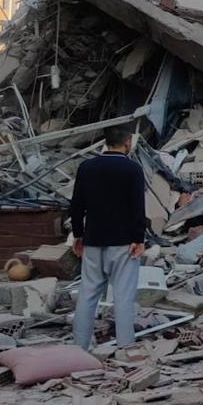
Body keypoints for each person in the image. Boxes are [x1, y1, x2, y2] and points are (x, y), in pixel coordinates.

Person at [70, 125, 146, 350]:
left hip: (93, 239)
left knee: (87, 295)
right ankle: (125, 348)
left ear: (106, 142)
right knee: (123, 297)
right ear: (128, 141)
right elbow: (137, 207)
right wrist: (138, 238)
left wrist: (78, 234)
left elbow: (76, 205)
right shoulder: (133, 169)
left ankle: (79, 347)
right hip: (124, 242)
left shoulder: (86, 167)